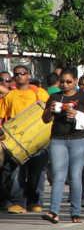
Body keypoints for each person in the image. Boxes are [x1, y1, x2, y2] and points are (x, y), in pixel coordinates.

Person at [41, 68, 84, 223]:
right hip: (58, 139)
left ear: (75, 81)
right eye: (62, 82)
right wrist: (50, 111)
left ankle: (76, 213)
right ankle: (54, 211)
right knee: (58, 175)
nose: (65, 85)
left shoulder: (83, 97)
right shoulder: (54, 97)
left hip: (78, 139)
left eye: (68, 82)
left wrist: (78, 115)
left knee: (75, 176)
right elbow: (45, 119)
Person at [0, 65, 49, 214]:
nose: (20, 76)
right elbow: (2, 117)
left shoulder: (39, 93)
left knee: (37, 174)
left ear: (29, 75)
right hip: (16, 142)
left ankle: (35, 201)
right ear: (14, 78)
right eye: (17, 74)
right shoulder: (10, 96)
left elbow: (49, 110)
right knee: (17, 174)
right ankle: (18, 202)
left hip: (38, 139)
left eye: (23, 73)